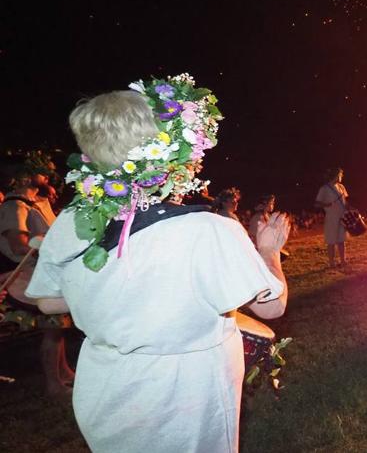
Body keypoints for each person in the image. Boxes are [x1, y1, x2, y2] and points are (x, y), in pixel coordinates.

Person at [25, 76, 288, 453]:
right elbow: (272, 306)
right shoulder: (207, 229)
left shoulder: (72, 221)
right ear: (168, 151)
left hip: (106, 385)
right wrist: (269, 251)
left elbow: (48, 302)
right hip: (185, 394)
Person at [0, 166, 74, 397]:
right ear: (25, 177)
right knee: (52, 327)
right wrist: (47, 246)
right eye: (40, 172)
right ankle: (53, 384)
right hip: (27, 276)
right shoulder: (15, 206)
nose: (45, 177)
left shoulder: (35, 203)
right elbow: (18, 245)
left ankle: (65, 373)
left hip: (44, 272)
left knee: (59, 326)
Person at [314, 167, 348, 267]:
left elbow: (345, 202)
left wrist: (350, 209)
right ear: (336, 175)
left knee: (342, 240)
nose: (342, 177)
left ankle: (343, 260)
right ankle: (332, 263)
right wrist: (326, 205)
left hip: (342, 216)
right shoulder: (324, 189)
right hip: (331, 217)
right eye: (341, 175)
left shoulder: (341, 187)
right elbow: (317, 204)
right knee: (331, 241)